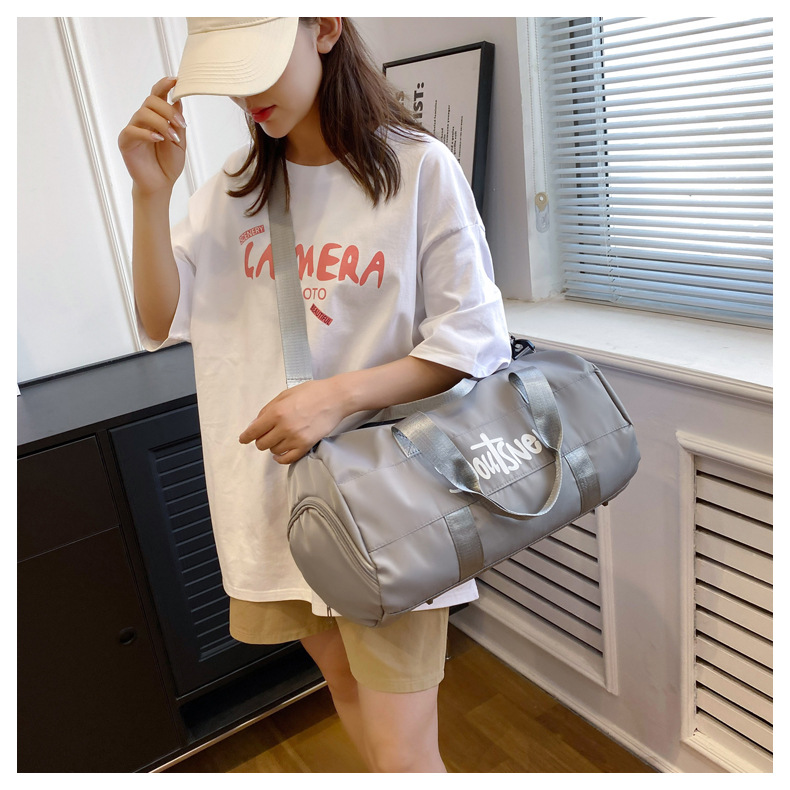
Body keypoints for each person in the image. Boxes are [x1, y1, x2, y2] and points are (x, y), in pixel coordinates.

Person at [118, 17, 511, 773]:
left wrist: (336, 397)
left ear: (324, 27)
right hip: (274, 508)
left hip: (390, 513)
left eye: (258, 63)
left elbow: (474, 340)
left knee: (404, 753)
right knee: (346, 690)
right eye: (229, 73)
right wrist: (150, 194)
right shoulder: (230, 190)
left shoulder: (418, 170)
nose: (244, 94)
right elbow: (158, 318)